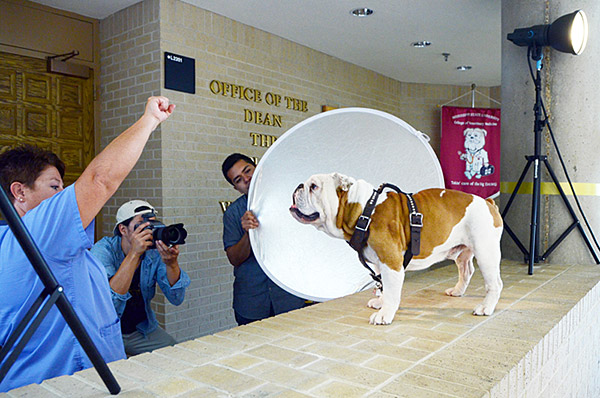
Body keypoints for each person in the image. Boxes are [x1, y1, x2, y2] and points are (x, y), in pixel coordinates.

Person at [0, 96, 175, 392]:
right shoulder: (36, 232)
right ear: (19, 193)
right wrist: (149, 120)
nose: (64, 195)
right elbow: (99, 180)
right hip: (70, 383)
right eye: (54, 186)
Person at [90, 199, 190, 356]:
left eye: (151, 225)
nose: (148, 231)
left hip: (140, 331)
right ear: (123, 229)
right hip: (104, 332)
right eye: (142, 226)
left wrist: (172, 264)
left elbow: (176, 298)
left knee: (176, 355)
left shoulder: (153, 252)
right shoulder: (102, 251)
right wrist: (134, 254)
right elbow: (110, 304)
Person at [221, 153, 305, 325]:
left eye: (247, 171)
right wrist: (247, 233)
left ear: (258, 168)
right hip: (251, 302)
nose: (246, 179)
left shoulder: (287, 201)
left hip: (289, 296)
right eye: (238, 180)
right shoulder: (233, 213)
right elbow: (234, 259)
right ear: (236, 188)